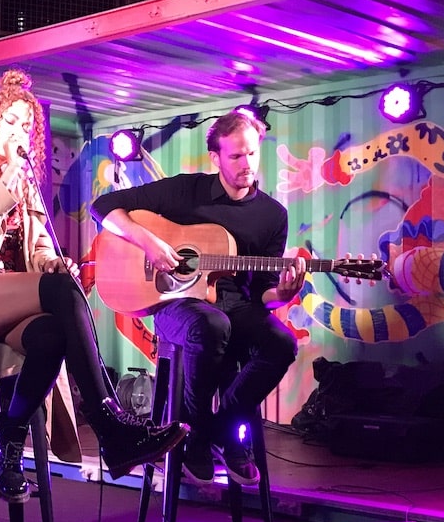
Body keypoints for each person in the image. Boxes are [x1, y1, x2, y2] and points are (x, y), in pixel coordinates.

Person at [0, 69, 186, 504]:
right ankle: (111, 427)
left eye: (27, 127)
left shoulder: (24, 179)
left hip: (12, 300)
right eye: (11, 122)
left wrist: (54, 261)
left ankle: (10, 434)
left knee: (52, 333)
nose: (19, 133)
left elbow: (36, 245)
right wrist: (1, 191)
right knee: (60, 294)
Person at [91, 109, 307, 486]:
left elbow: (264, 294)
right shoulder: (184, 190)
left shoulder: (273, 215)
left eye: (252, 154)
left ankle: (211, 432)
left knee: (281, 343)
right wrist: (151, 242)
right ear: (216, 158)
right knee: (211, 323)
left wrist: (283, 294)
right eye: (236, 156)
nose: (246, 164)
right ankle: (198, 435)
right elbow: (103, 208)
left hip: (237, 307)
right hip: (176, 303)